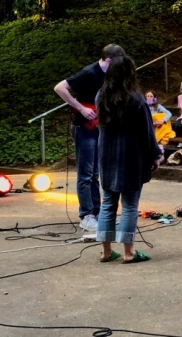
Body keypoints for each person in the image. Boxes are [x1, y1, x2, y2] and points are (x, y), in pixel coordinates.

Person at [95, 55, 161, 264]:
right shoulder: (136, 99)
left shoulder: (100, 96)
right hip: (130, 157)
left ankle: (106, 252)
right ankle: (129, 252)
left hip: (106, 156)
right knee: (130, 205)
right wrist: (155, 155)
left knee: (107, 204)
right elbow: (147, 132)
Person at [54, 44, 125, 232]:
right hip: (84, 127)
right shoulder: (88, 73)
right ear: (108, 60)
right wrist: (81, 108)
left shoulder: (110, 74)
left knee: (95, 173)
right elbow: (60, 88)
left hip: (100, 127)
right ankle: (86, 215)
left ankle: (98, 212)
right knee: (85, 174)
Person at [145, 91, 174, 159]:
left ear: (154, 98)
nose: (149, 98)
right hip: (148, 126)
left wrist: (163, 121)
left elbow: (169, 113)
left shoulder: (157, 106)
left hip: (157, 127)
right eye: (147, 96)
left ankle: (160, 155)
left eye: (151, 96)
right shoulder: (143, 107)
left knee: (162, 116)